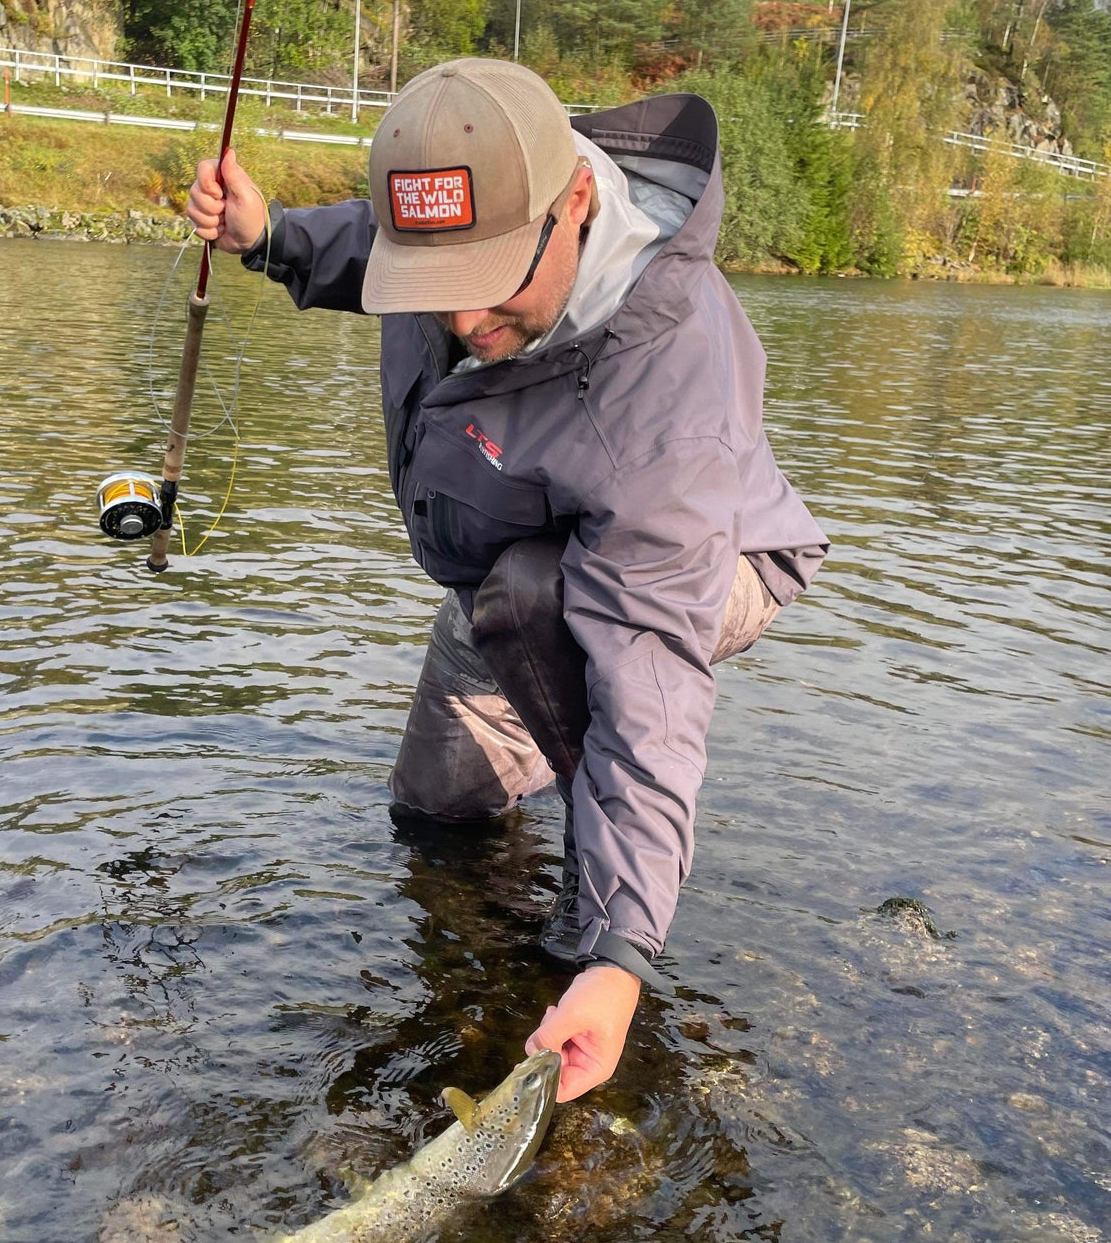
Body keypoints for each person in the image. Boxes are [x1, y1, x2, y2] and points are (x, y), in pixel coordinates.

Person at [187, 60, 827, 1103]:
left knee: (543, 608)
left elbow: (648, 687)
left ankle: (594, 901)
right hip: (510, 558)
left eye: (489, 280)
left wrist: (620, 954)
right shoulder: (469, 219)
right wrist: (271, 238)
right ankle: (496, 935)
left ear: (573, 201)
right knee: (434, 812)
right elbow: (378, 243)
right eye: (433, 284)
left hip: (700, 564)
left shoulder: (665, 403)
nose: (461, 318)